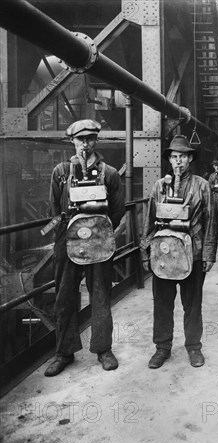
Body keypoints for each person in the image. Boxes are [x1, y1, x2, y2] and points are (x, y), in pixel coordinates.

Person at [44, 119, 125, 377]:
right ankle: (63, 352)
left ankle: (103, 349)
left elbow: (117, 210)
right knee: (65, 296)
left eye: (90, 138)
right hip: (68, 241)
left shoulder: (109, 173)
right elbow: (53, 211)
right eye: (81, 139)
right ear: (72, 141)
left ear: (96, 140)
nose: (85, 144)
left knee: (100, 294)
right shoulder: (61, 172)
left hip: (99, 241)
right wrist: (62, 237)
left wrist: (100, 232)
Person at [141, 135, 217, 369]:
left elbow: (211, 220)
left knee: (192, 303)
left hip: (191, 254)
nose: (178, 162)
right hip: (162, 254)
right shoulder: (159, 186)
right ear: (169, 160)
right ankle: (162, 347)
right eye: (174, 157)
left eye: (182, 157)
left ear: (190, 158)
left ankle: (193, 347)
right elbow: (149, 220)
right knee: (162, 303)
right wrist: (145, 252)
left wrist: (208, 254)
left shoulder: (202, 185)